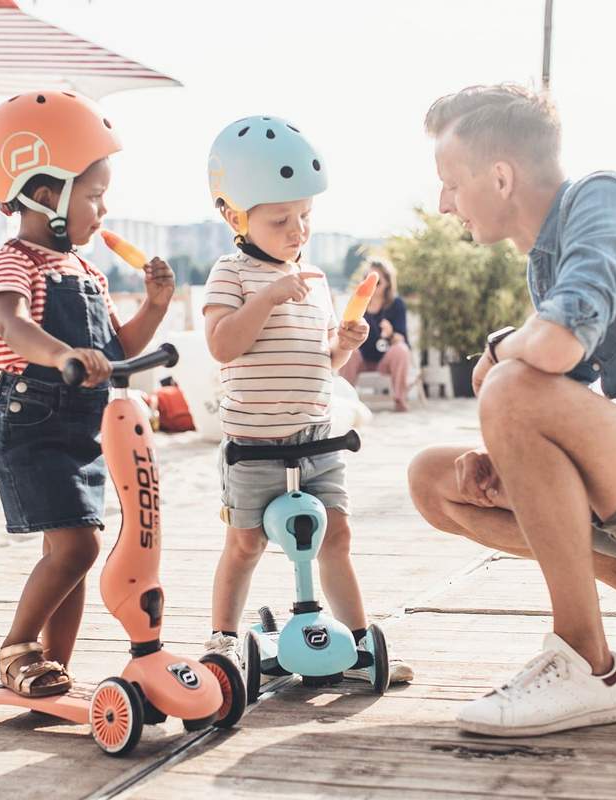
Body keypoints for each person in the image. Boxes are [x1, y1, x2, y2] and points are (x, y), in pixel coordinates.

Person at [407, 83, 616, 736]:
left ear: (502, 177)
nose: (443, 203)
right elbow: (569, 397)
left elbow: (555, 345)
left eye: (451, 182)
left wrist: (497, 354)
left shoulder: (603, 198)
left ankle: (585, 666)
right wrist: (509, 457)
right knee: (436, 480)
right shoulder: (547, 266)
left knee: (511, 386)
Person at [202, 115, 413, 684]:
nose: (297, 231)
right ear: (234, 215)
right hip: (253, 443)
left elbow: (319, 362)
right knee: (245, 543)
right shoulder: (231, 274)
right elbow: (224, 345)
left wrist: (340, 345)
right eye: (280, 220)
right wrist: (267, 297)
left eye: (305, 218)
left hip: (318, 436)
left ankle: (361, 640)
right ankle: (222, 638)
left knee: (336, 536)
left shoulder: (315, 278)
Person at [0, 91, 175, 697]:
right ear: (44, 194)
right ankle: (18, 650)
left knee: (75, 550)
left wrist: (156, 306)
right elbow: (12, 325)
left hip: (83, 428)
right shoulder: (13, 261)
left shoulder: (85, 271)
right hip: (32, 422)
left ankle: (50, 667)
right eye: (93, 195)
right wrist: (62, 354)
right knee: (78, 546)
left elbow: (114, 350)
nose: (103, 208)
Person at [338, 258, 413, 411]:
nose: (373, 287)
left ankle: (400, 400)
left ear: (387, 283)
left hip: (385, 360)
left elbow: (401, 338)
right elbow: (345, 333)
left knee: (401, 350)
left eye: (377, 282)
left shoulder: (396, 304)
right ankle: (343, 401)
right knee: (349, 352)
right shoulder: (358, 303)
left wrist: (391, 333)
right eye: (368, 281)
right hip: (362, 359)